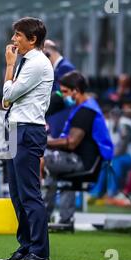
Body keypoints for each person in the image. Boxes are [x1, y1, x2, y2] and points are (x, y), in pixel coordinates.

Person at [0, 17, 53, 260]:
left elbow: (8, 95)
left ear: (33, 39)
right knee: (17, 195)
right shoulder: (28, 61)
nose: (13, 39)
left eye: (18, 35)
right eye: (14, 34)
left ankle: (39, 253)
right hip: (17, 129)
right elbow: (6, 103)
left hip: (28, 130)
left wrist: (9, 66)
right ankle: (26, 246)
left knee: (30, 194)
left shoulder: (36, 64)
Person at [44, 71, 114, 225]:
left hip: (83, 162)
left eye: (64, 92)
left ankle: (41, 214)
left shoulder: (86, 111)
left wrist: (44, 141)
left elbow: (71, 142)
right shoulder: (84, 107)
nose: (62, 96)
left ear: (76, 90)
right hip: (77, 159)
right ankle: (50, 218)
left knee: (42, 160)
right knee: (53, 172)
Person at [43, 39, 76, 138]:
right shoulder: (58, 68)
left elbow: (62, 96)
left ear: (48, 53)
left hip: (60, 119)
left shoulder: (65, 68)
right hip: (54, 118)